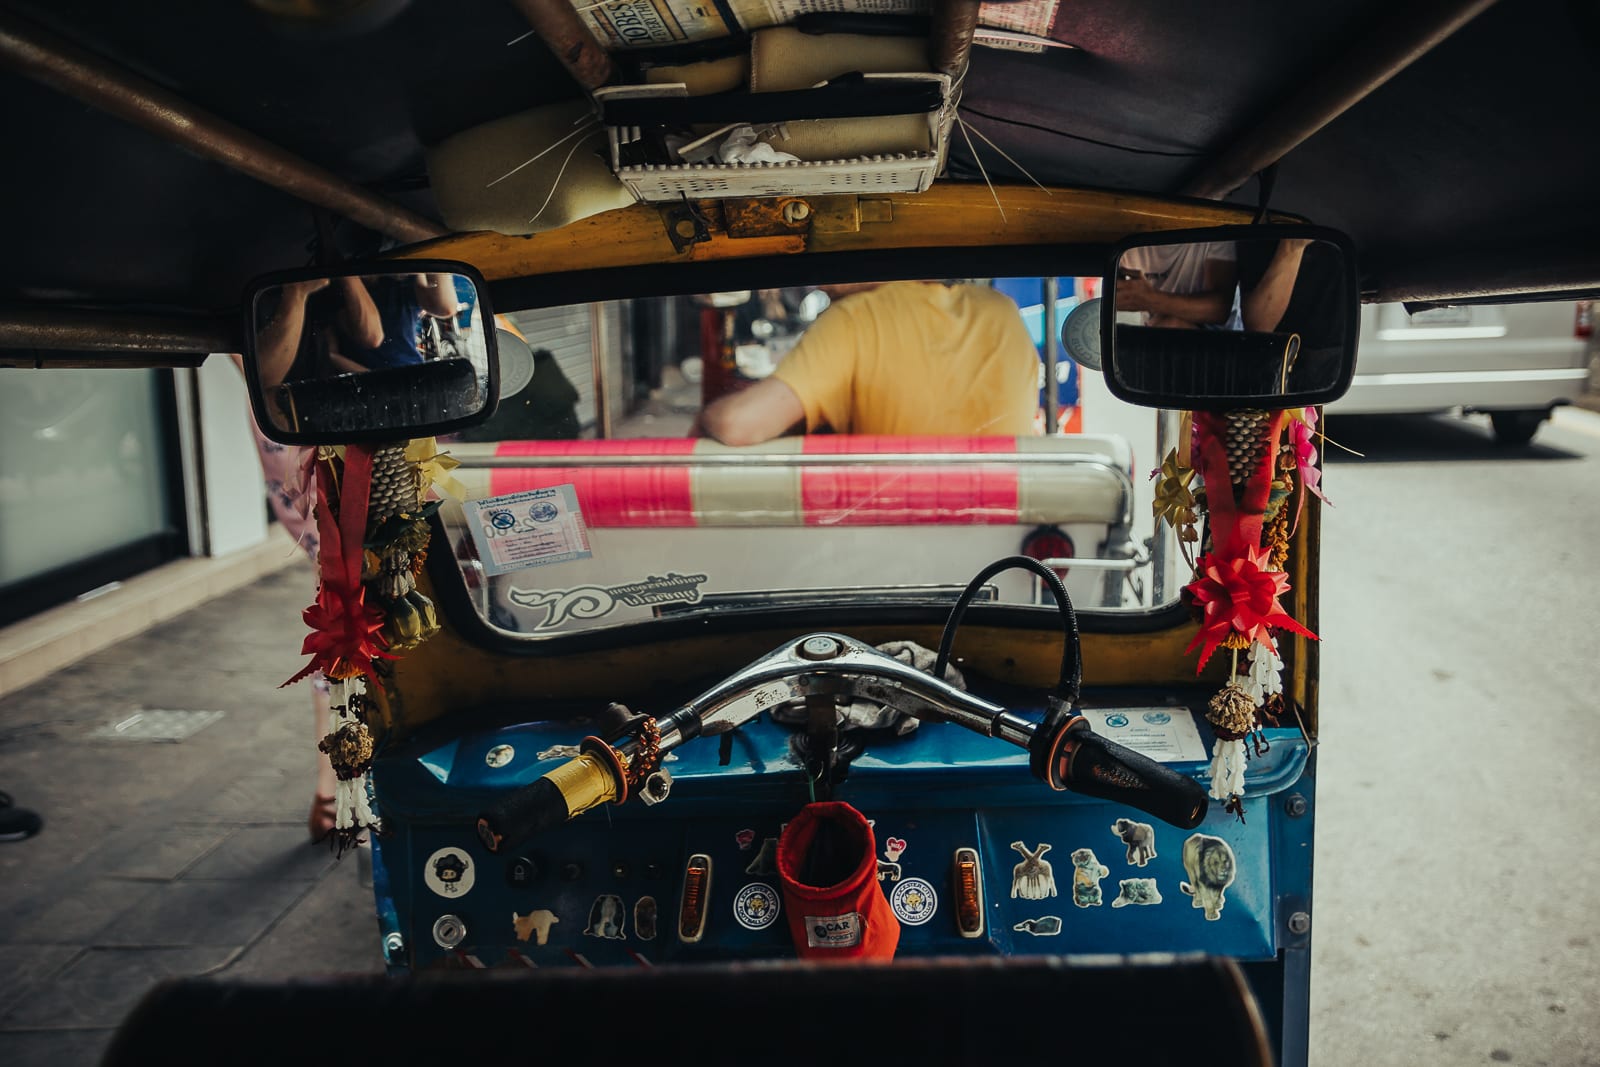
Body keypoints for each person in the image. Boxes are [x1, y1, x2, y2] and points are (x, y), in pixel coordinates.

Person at [696, 280, 1040, 445]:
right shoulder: (1002, 312)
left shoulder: (854, 319)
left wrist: (706, 417)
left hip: (890, 543)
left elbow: (737, 424)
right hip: (1001, 544)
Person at [1115, 241, 1239, 329]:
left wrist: (1150, 300)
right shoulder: (1126, 241)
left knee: (1173, 325)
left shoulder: (1214, 224)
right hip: (1155, 331)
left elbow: (1219, 309)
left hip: (1215, 338)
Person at [352, 273, 462, 370]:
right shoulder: (344, 287)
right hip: (379, 379)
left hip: (409, 372)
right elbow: (372, 337)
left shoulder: (403, 281)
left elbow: (445, 306)